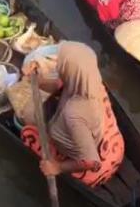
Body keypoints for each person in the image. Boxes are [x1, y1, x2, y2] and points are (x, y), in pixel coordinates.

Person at [21, 42, 125, 187]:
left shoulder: (74, 114)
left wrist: (57, 167)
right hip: (91, 129)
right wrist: (34, 78)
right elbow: (58, 86)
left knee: (27, 130)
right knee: (31, 112)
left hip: (89, 159)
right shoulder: (88, 79)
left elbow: (92, 162)